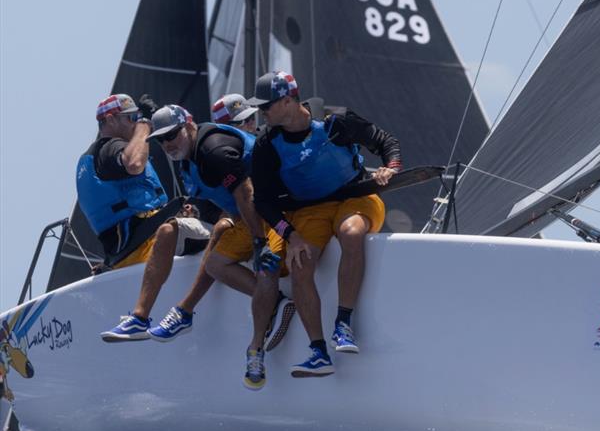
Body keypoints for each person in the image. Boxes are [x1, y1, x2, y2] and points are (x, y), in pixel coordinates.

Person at [247, 71, 401, 377]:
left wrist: (390, 168)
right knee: (301, 265)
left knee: (351, 232)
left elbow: (385, 141)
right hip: (310, 210)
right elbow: (262, 202)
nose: (262, 112)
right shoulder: (267, 145)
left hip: (354, 197)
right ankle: (318, 352)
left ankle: (343, 324)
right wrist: (290, 236)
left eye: (267, 106)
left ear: (289, 100)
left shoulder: (336, 121)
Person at [144, 105, 286, 389]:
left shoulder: (213, 151)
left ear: (189, 125)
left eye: (172, 134)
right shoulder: (188, 158)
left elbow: (246, 192)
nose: (168, 143)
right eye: (161, 139)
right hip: (250, 214)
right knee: (215, 264)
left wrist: (259, 243)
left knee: (266, 267)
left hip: (279, 209)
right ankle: (277, 303)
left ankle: (255, 349)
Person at [78, 94, 212, 342]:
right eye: (131, 118)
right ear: (110, 120)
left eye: (136, 118)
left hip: (129, 254)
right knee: (231, 230)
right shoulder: (110, 149)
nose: (135, 122)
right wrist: (145, 125)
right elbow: (135, 163)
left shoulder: (94, 159)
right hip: (149, 247)